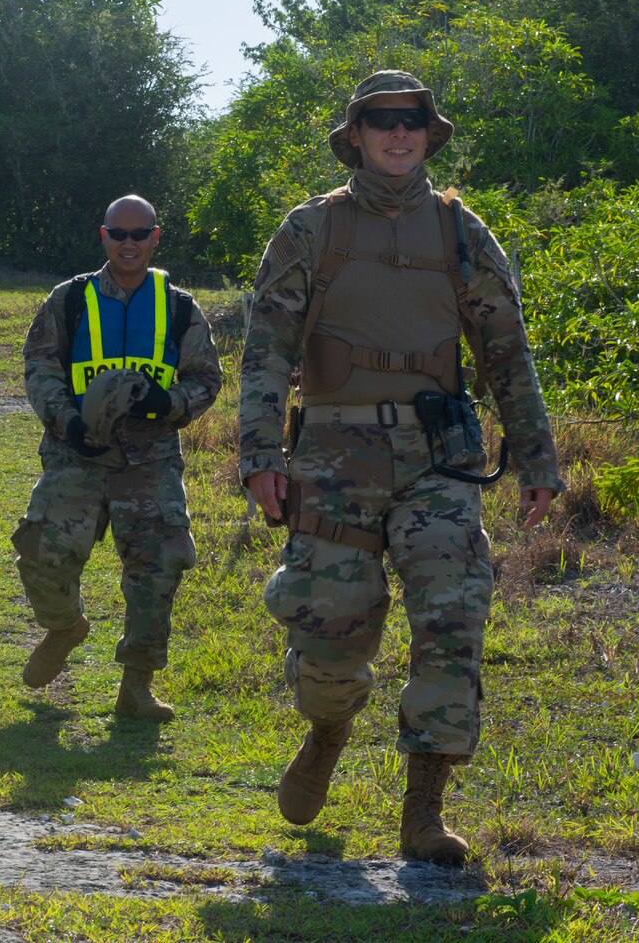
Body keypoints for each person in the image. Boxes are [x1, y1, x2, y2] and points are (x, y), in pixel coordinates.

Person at [238, 70, 563, 861]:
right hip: (333, 454)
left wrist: (537, 455)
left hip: (436, 459)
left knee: (453, 613)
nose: (398, 133)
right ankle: (327, 728)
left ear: (428, 131)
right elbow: (267, 346)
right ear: (355, 136)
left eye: (412, 120)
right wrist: (259, 452)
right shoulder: (311, 229)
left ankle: (424, 807)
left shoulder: (460, 232)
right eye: (380, 121)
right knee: (328, 628)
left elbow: (506, 347)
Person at [13, 195, 223, 720]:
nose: (128, 243)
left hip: (150, 460)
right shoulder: (69, 299)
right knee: (42, 553)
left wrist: (168, 403)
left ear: (156, 238)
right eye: (118, 233)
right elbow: (40, 369)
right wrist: (71, 422)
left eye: (139, 233)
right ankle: (65, 627)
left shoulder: (180, 307)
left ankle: (136, 687)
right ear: (103, 236)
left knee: (157, 570)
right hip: (76, 455)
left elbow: (207, 378)